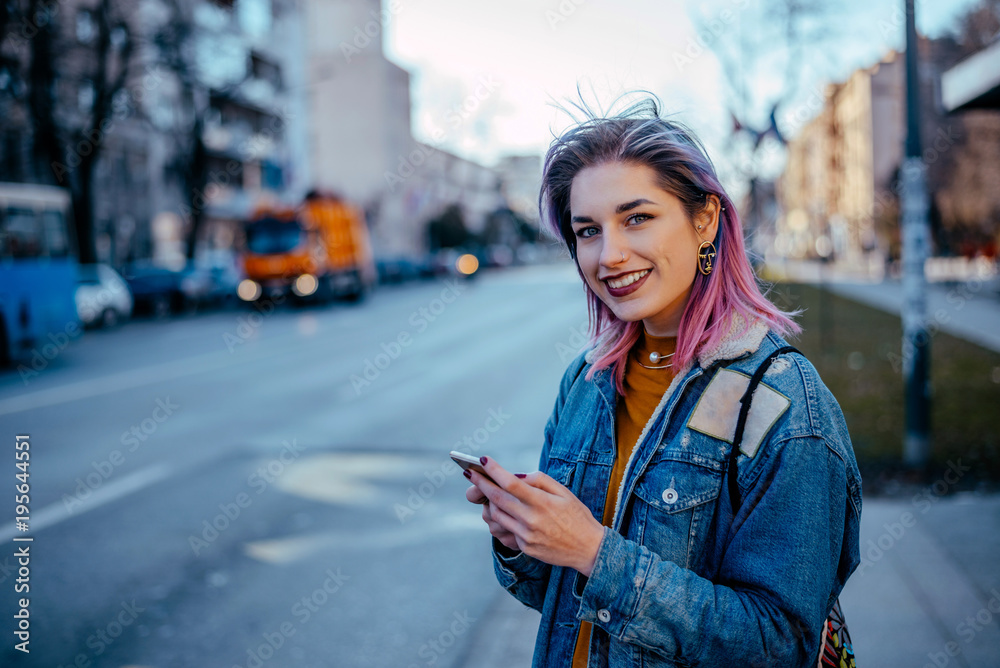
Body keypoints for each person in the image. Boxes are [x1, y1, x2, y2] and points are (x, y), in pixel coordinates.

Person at [463, 93, 862, 667]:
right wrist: (520, 537)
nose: (610, 254)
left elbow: (780, 644)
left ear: (705, 220)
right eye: (588, 231)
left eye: (637, 218)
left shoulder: (782, 406)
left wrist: (596, 554)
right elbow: (551, 596)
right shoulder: (587, 381)